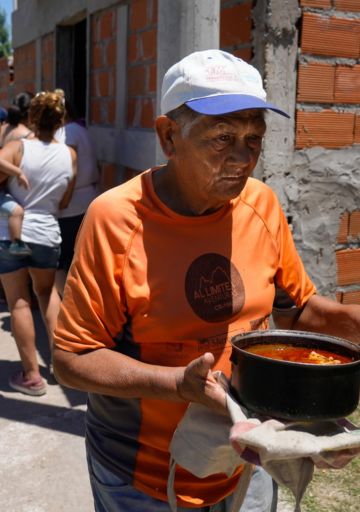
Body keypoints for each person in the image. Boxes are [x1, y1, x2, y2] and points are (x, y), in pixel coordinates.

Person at [53, 50, 360, 512]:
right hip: (142, 476)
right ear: (169, 136)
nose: (243, 158)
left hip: (245, 459)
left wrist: (352, 323)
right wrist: (179, 384)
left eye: (254, 138)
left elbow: (296, 310)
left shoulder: (261, 204)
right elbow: (72, 359)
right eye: (222, 138)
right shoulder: (115, 219)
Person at [0, 91, 77, 396]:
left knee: (19, 301)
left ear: (32, 117)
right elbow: (66, 200)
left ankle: (31, 376)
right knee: (48, 295)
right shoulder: (70, 154)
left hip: (12, 234)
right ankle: (61, 368)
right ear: (61, 121)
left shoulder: (17, 147)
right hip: (48, 232)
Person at [54, 96, 100, 295]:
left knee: (64, 260)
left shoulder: (68, 132)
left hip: (73, 202)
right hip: (87, 196)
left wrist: (64, 199)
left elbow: (70, 170)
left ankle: (66, 306)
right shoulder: (81, 129)